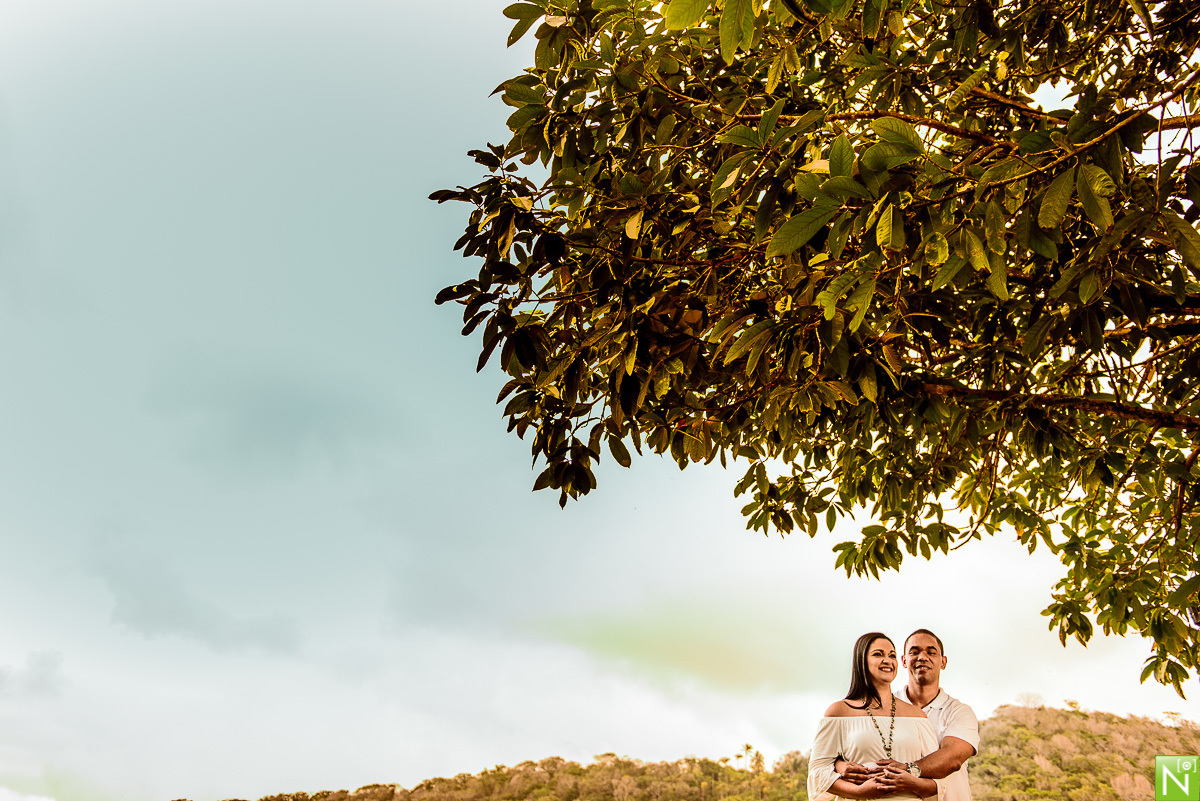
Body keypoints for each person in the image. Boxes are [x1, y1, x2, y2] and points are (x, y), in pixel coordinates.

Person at [834, 629, 979, 800]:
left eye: (931, 652)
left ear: (943, 662)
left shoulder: (959, 711)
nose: (922, 657)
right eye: (914, 652)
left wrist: (908, 769)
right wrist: (840, 765)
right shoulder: (876, 707)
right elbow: (850, 749)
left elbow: (953, 758)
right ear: (903, 660)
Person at [807, 632, 946, 800]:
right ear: (861, 661)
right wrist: (858, 792)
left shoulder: (917, 716)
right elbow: (818, 773)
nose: (887, 660)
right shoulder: (838, 712)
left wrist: (909, 782)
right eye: (878, 654)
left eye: (892, 655)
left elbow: (938, 784)